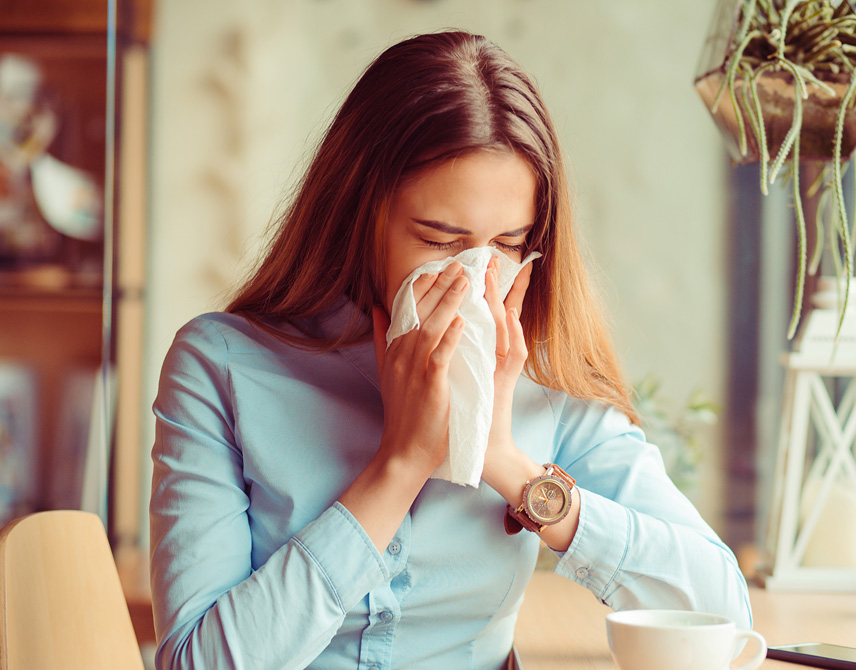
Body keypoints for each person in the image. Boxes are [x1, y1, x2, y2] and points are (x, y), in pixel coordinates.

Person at [149, 30, 751, 670]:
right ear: (362, 217)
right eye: (439, 240)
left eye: (508, 244)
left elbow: (722, 609)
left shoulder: (545, 379)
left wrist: (503, 462)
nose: (474, 278)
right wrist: (400, 464)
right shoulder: (223, 366)